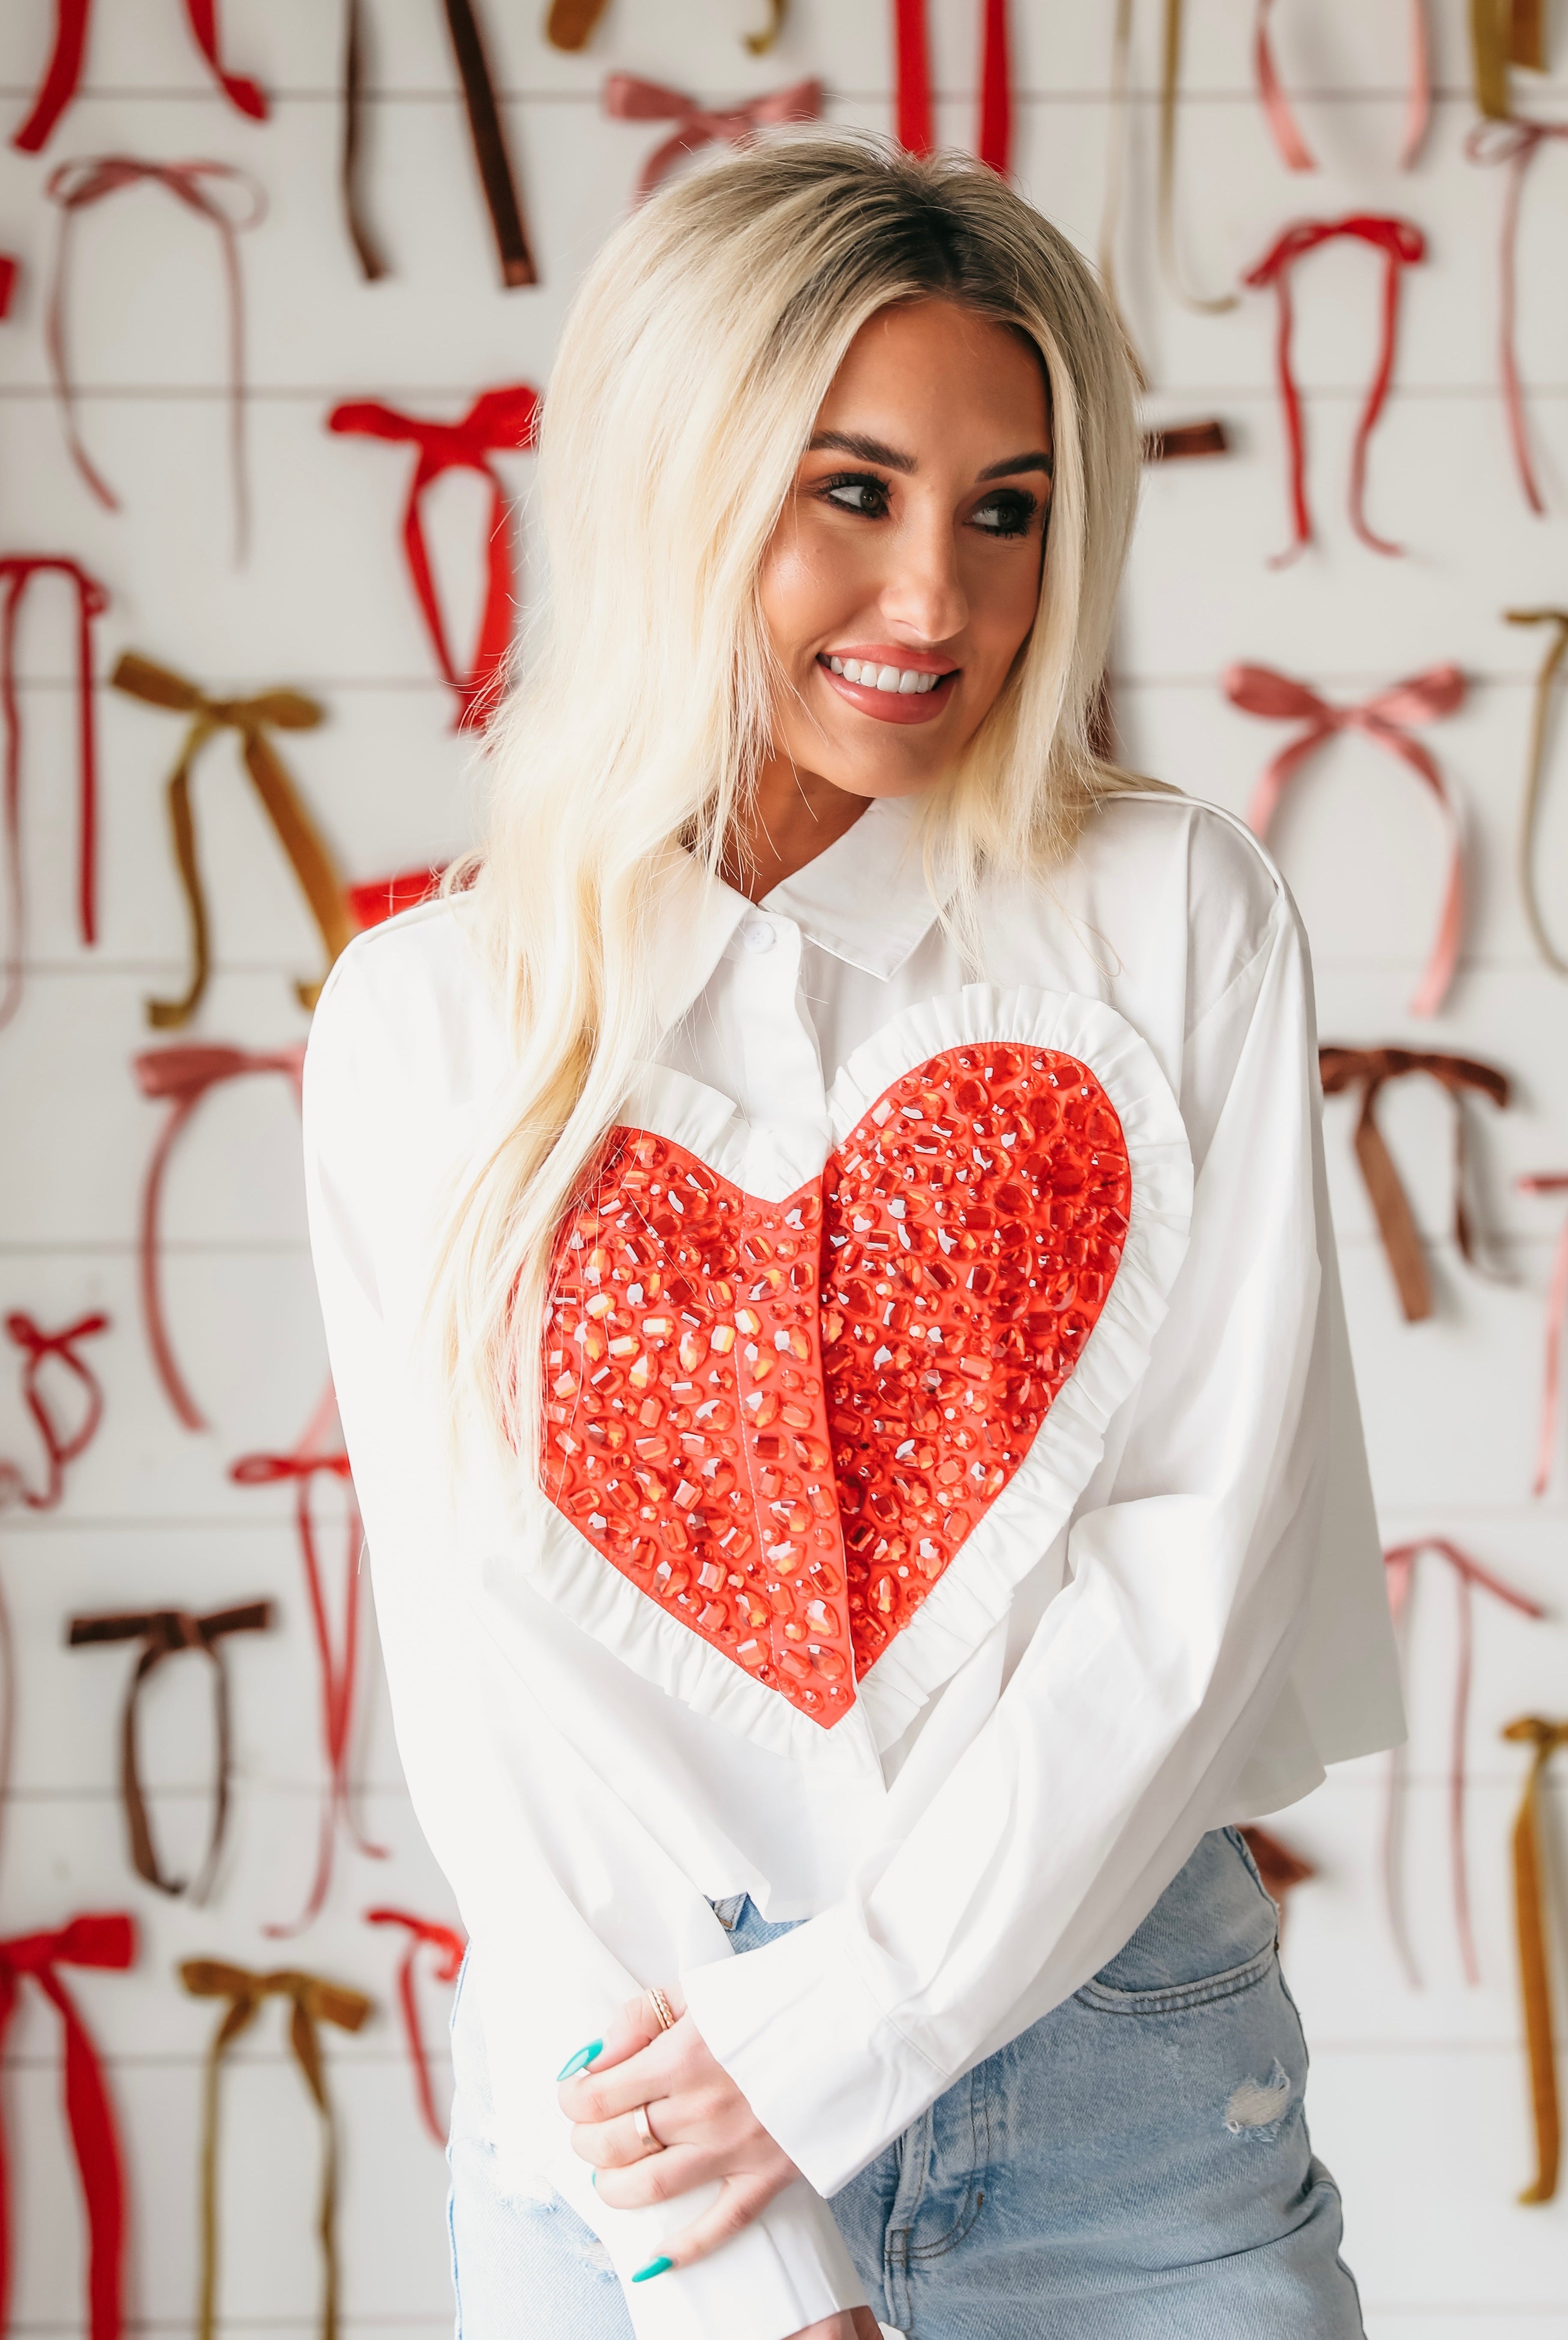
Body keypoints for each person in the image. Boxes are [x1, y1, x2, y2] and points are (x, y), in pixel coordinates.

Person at [304, 133, 1403, 2340]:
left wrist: (839, 2041)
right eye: (851, 492)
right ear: (672, 486)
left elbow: (1185, 1563)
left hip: (1120, 2103)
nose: (940, 604)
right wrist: (743, 2259)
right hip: (627, 2129)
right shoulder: (435, 1017)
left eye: (1009, 510)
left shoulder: (1177, 918)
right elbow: (500, 1700)